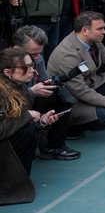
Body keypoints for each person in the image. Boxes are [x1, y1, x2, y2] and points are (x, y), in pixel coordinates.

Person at [46, 11, 105, 133]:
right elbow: (81, 92)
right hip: (72, 101)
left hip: (90, 86)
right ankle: (70, 128)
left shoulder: (93, 41)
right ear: (84, 31)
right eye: (100, 29)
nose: (104, 32)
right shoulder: (67, 54)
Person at [0, 47, 64, 204]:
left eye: (32, 65)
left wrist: (41, 121)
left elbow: (16, 120)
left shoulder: (17, 85)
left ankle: (18, 181)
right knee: (27, 132)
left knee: (31, 131)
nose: (32, 70)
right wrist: (28, 116)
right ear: (7, 72)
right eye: (26, 67)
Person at [12, 26, 78, 161]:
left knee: (58, 94)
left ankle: (55, 145)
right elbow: (9, 98)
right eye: (33, 54)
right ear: (16, 49)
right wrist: (32, 92)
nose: (37, 58)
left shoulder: (38, 60)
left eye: (39, 53)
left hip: (32, 102)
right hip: (13, 108)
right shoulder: (6, 64)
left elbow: (45, 80)